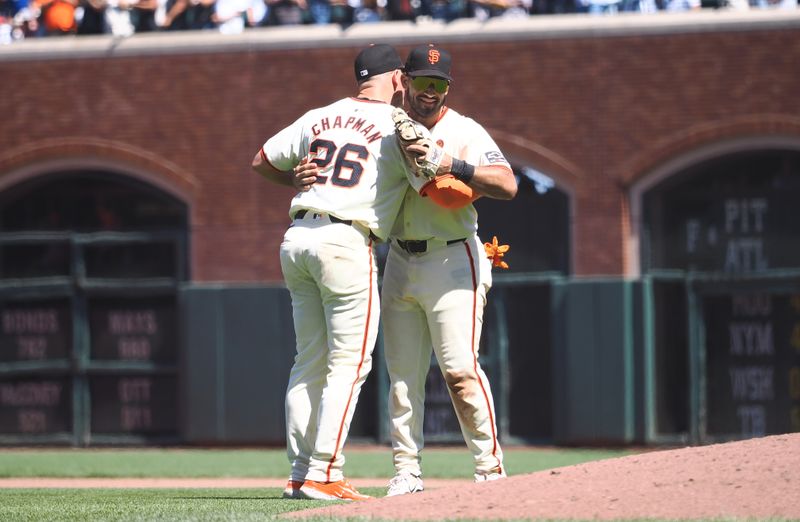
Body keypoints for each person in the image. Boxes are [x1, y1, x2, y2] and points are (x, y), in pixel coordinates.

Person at [251, 44, 430, 502]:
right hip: (346, 242)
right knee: (348, 365)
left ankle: (298, 472)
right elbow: (431, 182)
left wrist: (293, 180)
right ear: (395, 79)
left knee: (308, 361)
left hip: (298, 237)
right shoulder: (396, 122)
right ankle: (323, 472)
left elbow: (263, 161)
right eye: (404, 78)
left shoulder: (319, 115)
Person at [381, 43, 517, 497]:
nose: (430, 91)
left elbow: (507, 183)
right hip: (400, 258)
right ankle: (406, 471)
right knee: (402, 377)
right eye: (422, 81)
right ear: (404, 80)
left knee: (460, 370)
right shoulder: (385, 128)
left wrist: (453, 164)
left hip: (451, 255)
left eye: (439, 84)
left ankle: (488, 469)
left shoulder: (464, 130)